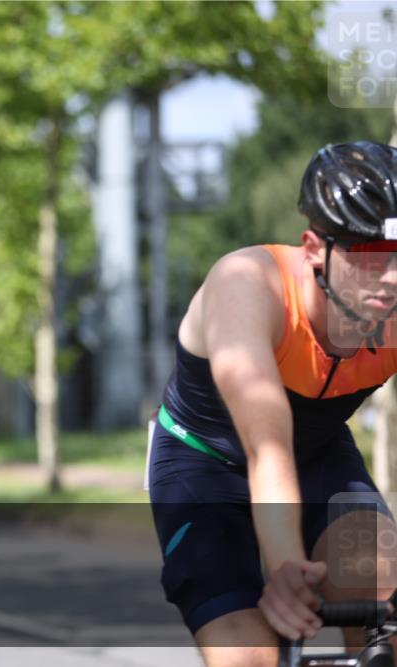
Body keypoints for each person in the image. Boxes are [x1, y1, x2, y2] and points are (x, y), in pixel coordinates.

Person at [147, 141, 397, 666]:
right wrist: (286, 567)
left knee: (384, 605)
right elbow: (268, 448)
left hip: (319, 456)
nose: (391, 277)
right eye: (369, 257)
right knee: (250, 656)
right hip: (203, 465)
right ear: (313, 248)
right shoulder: (247, 286)